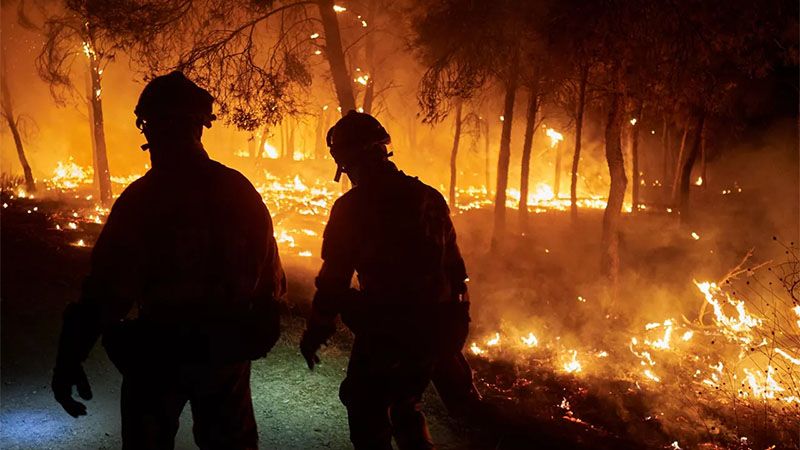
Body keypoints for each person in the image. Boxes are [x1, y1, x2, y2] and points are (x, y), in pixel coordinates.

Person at [51, 71, 286, 450]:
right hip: (223, 354)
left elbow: (105, 292)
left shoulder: (142, 200)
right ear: (200, 128)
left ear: (149, 129)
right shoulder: (239, 191)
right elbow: (271, 283)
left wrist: (69, 360)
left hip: (158, 357)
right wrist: (248, 334)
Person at [300, 110, 475, 450]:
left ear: (349, 161)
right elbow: (455, 271)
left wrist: (317, 330)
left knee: (364, 405)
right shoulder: (429, 197)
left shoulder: (354, 206)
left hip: (388, 329)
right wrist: (453, 331)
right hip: (436, 326)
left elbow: (334, 279)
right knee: (405, 402)